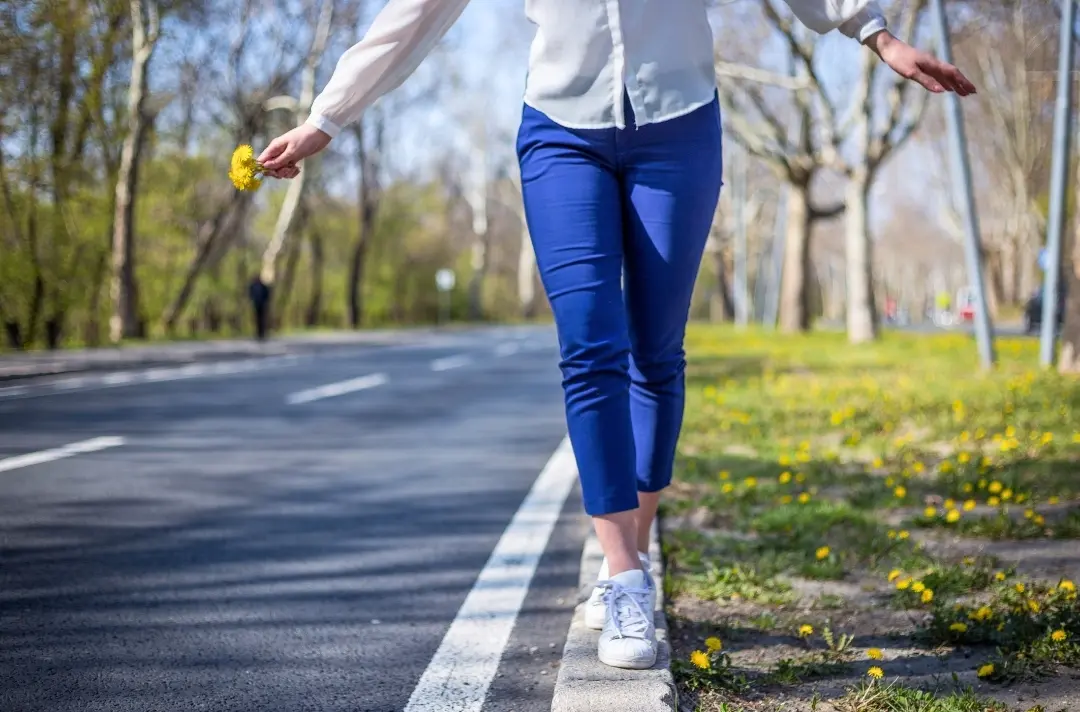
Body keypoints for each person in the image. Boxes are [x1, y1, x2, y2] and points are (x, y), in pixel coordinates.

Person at [258, 0, 975, 671]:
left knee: (655, 349)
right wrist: (329, 115)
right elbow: (417, 14)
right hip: (561, 132)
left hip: (680, 125)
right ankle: (627, 578)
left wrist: (877, 34)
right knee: (590, 348)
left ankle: (630, 550)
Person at [248, 275, 271, 341]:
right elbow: (250, 293)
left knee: (262, 319)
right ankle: (258, 332)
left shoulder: (263, 286)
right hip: (256, 304)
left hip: (262, 304)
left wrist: (266, 301)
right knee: (257, 319)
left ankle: (262, 332)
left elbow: (267, 294)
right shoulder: (253, 286)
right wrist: (251, 300)